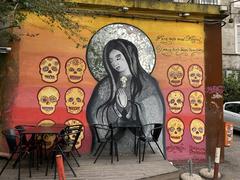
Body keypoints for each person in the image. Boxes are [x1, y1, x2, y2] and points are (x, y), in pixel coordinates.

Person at [87, 38, 166, 152]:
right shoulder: (106, 84)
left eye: (118, 57)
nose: (115, 63)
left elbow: (153, 111)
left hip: (139, 138)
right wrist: (117, 107)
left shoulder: (147, 83)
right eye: (111, 60)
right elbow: (95, 112)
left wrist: (129, 107)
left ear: (129, 55)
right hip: (114, 139)